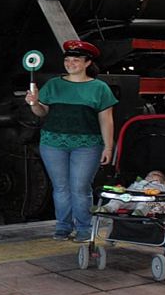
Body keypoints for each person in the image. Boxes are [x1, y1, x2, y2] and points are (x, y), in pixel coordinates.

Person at [25, 40, 117, 243]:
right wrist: (34, 103)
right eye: (68, 59)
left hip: (88, 145)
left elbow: (106, 119)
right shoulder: (54, 84)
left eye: (76, 60)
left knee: (80, 187)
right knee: (60, 187)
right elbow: (42, 112)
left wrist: (108, 147)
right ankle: (63, 226)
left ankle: (84, 228)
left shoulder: (99, 88)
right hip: (52, 143)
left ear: (87, 63)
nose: (71, 63)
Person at [92, 170, 165, 216]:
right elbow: (129, 190)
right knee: (118, 199)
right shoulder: (138, 183)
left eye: (156, 174)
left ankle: (139, 212)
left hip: (149, 200)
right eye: (148, 175)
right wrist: (123, 190)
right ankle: (107, 208)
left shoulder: (163, 186)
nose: (151, 175)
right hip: (132, 198)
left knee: (145, 203)